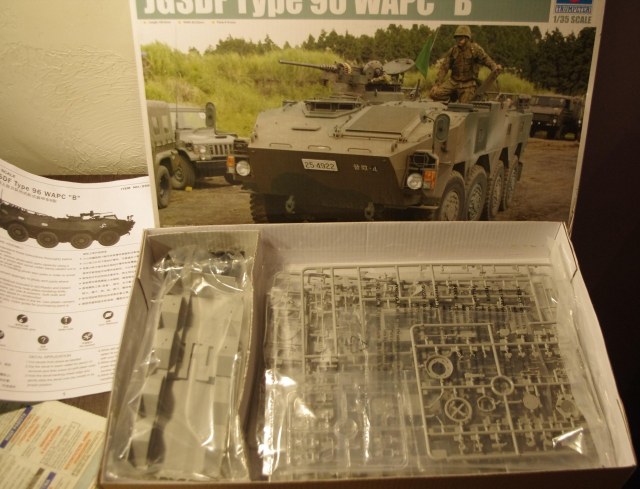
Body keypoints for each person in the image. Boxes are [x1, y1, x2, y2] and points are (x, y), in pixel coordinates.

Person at [430, 25, 502, 103]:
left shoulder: (475, 49)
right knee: (434, 93)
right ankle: (453, 97)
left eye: (461, 38)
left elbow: (486, 59)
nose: (458, 40)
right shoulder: (453, 50)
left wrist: (494, 67)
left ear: (467, 38)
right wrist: (437, 84)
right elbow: (444, 68)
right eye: (457, 38)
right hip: (453, 82)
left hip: (468, 84)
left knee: (464, 106)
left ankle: (461, 98)